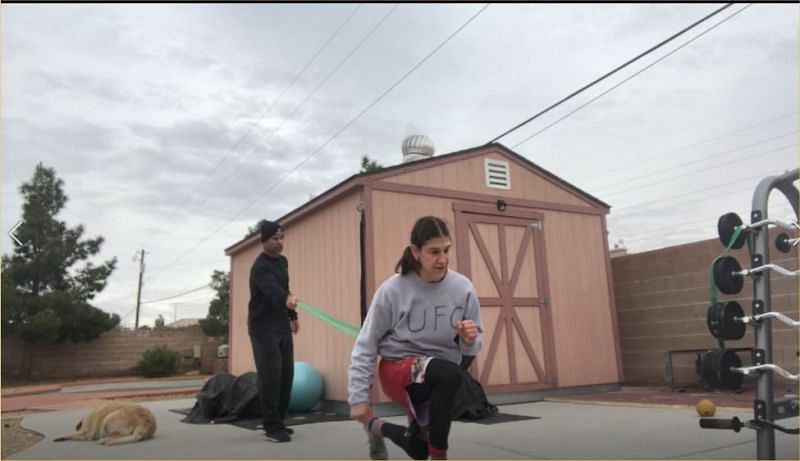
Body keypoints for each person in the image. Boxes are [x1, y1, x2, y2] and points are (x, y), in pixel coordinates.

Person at [348, 216, 483, 460]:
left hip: (437, 377)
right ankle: (441, 457)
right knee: (450, 373)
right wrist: (359, 397)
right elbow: (366, 344)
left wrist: (469, 340)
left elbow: (471, 350)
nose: (443, 259)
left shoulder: (463, 288)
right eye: (434, 252)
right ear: (415, 251)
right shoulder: (393, 290)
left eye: (446, 250)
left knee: (419, 449)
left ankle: (374, 427)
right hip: (397, 369)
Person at [248, 220, 300, 443]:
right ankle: (271, 427)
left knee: (287, 373)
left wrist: (292, 316)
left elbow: (285, 288)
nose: (279, 243)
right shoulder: (259, 266)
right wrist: (286, 300)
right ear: (264, 241)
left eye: (282, 238)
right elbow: (272, 290)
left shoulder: (283, 262)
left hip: (280, 325)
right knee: (271, 374)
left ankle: (279, 420)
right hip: (262, 328)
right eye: (275, 239)